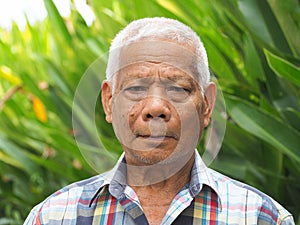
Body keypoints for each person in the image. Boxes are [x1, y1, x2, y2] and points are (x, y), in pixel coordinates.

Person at [24, 17, 294, 225]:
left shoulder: (260, 217)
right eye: (135, 89)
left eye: (178, 89)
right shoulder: (54, 216)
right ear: (109, 101)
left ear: (207, 105)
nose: (155, 107)